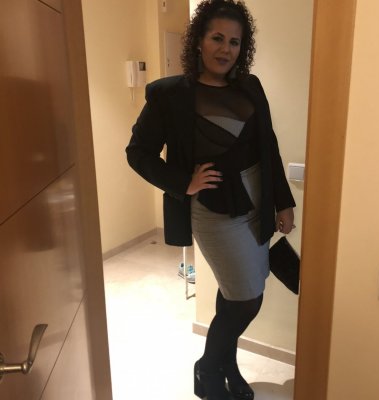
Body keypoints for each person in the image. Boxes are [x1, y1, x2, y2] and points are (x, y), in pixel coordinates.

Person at [126, 1, 295, 399]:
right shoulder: (169, 95)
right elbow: (138, 153)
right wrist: (183, 182)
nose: (225, 49)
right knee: (247, 299)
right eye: (217, 38)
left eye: (234, 42)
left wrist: (283, 202)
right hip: (215, 210)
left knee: (235, 292)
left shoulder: (251, 86)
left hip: (256, 200)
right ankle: (207, 368)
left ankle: (227, 366)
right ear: (199, 41)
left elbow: (268, 146)